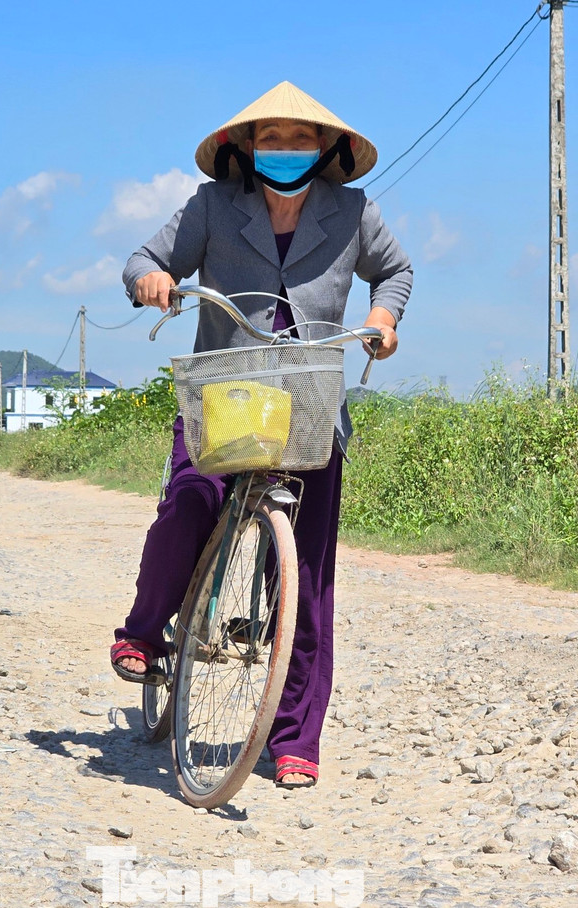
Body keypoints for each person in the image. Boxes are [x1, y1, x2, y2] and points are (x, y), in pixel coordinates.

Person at [109, 81, 413, 789]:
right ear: (246, 149)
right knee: (189, 500)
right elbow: (140, 262)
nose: (284, 151)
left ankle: (294, 739)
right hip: (227, 391)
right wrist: (153, 280)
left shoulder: (354, 213)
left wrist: (386, 320)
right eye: (270, 140)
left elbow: (394, 272)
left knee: (305, 576)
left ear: (327, 149)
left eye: (299, 139)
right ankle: (144, 630)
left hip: (309, 399)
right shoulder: (213, 206)